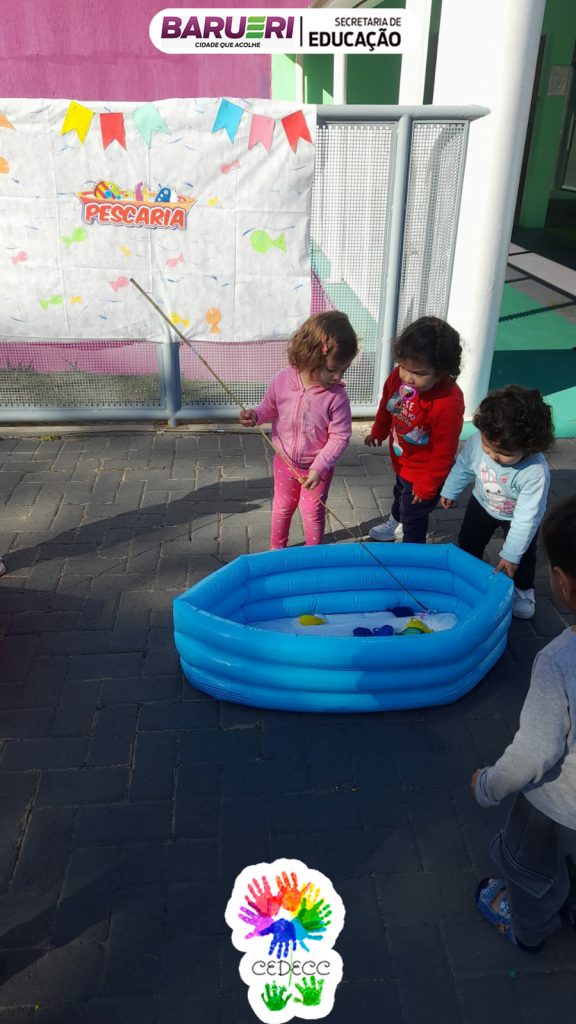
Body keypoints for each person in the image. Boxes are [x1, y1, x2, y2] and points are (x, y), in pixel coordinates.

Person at [471, 495, 576, 951]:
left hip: (556, 803)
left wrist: (488, 786)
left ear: (563, 583)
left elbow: (535, 753)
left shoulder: (558, 662)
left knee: (529, 869)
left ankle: (529, 930)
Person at [240, 311, 358, 549]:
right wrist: (256, 415)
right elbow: (269, 407)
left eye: (343, 370)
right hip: (284, 462)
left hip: (317, 468)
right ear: (312, 357)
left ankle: (313, 556)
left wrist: (319, 467)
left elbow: (340, 436)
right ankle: (277, 550)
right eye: (332, 369)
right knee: (282, 507)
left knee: (312, 512)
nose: (337, 376)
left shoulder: (336, 396)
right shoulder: (282, 380)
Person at [440, 385, 553, 619]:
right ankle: (468, 579)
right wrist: (450, 490)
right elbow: (464, 466)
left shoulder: (534, 472)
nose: (493, 456)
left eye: (504, 454)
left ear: (530, 447)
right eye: (488, 447)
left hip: (516, 516)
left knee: (523, 556)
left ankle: (523, 591)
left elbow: (527, 518)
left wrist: (510, 554)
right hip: (482, 503)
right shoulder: (477, 442)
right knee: (468, 542)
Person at [364, 316, 464, 544]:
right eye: (403, 367)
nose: (408, 378)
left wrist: (428, 486)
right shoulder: (397, 378)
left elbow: (444, 452)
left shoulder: (448, 402)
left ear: (442, 371)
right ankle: (395, 523)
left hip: (423, 472)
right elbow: (387, 405)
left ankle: (413, 552)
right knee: (400, 493)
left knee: (414, 516)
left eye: (419, 373)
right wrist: (378, 431)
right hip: (403, 461)